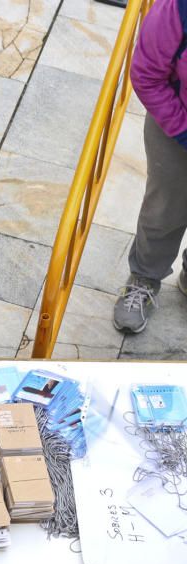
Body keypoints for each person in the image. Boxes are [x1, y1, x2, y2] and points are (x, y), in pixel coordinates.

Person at [112, 0, 187, 333]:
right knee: (166, 207)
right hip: (178, 123)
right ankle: (144, 277)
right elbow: (147, 75)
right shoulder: (176, 8)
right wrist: (183, 130)